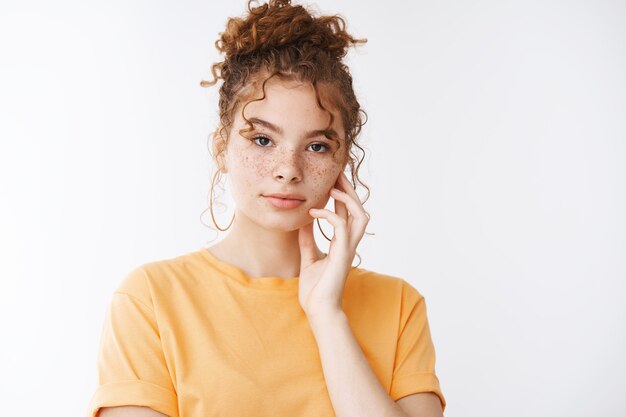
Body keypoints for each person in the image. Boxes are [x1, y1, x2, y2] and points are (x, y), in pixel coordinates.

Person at [86, 1, 446, 416]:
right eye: (262, 140)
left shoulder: (398, 305)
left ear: (342, 161)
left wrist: (327, 316)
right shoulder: (150, 299)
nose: (288, 170)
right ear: (222, 148)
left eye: (316, 146)